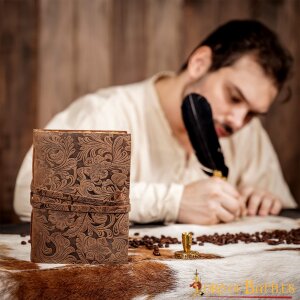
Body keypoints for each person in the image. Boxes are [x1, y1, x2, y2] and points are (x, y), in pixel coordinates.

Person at [14, 20, 297, 225]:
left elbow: (285, 219)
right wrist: (173, 201)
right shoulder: (106, 112)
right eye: (234, 97)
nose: (238, 121)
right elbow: (33, 193)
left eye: (252, 113)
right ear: (200, 63)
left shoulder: (247, 133)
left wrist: (264, 203)